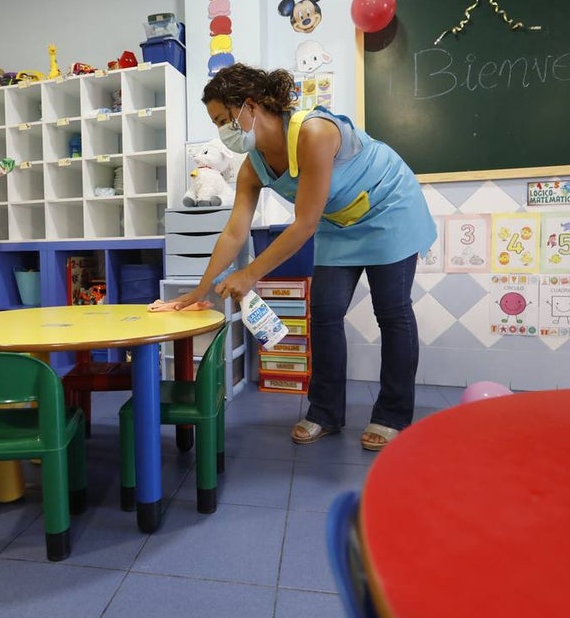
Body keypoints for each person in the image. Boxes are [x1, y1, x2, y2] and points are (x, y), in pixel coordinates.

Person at [173, 64, 436, 451]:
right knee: (325, 312)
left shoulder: (312, 132)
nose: (222, 133)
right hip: (337, 219)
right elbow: (234, 231)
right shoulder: (253, 166)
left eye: (223, 120)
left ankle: (392, 415)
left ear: (249, 106)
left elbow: (304, 223)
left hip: (389, 207)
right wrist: (200, 289)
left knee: (392, 310)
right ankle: (325, 412)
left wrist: (249, 275)